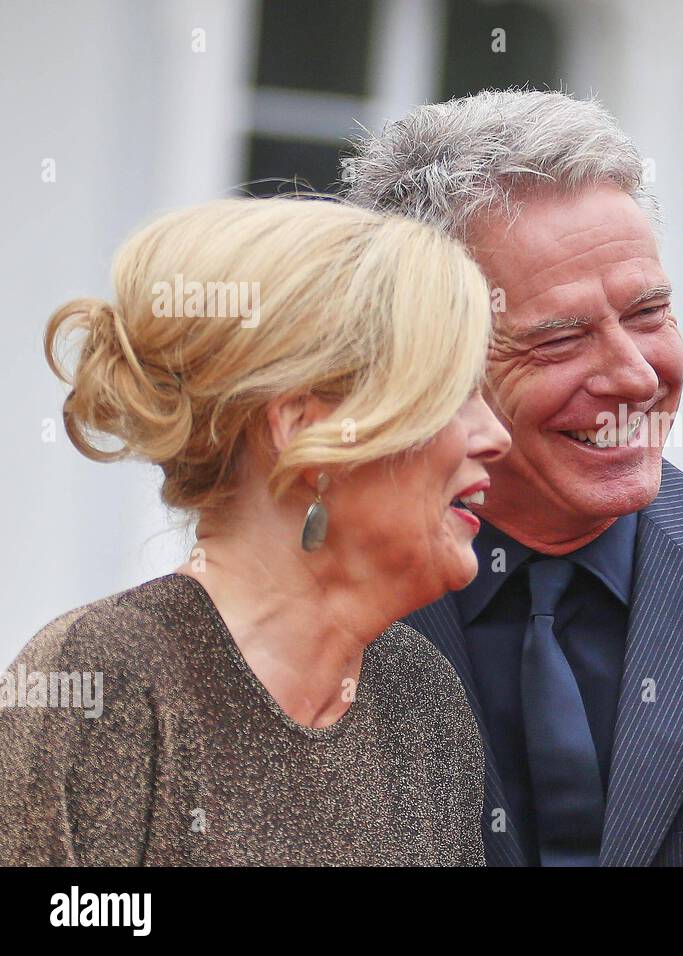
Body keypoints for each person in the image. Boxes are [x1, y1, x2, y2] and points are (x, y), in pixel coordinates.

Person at [346, 90, 683, 866]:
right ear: (425, 357)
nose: (635, 376)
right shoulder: (329, 610)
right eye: (561, 338)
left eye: (648, 313)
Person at [0, 197, 510, 865]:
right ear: (304, 430)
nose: (496, 437)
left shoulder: (421, 699)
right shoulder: (108, 680)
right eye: (453, 394)